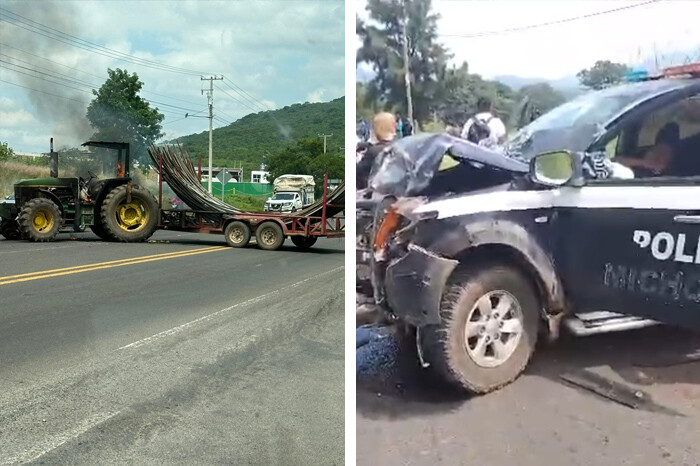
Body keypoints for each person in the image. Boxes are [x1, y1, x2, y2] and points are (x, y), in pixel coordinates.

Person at [357, 112, 396, 190]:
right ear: (394, 127)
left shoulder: (373, 152)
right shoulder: (401, 148)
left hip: (376, 196)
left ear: (375, 130)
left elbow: (358, 175)